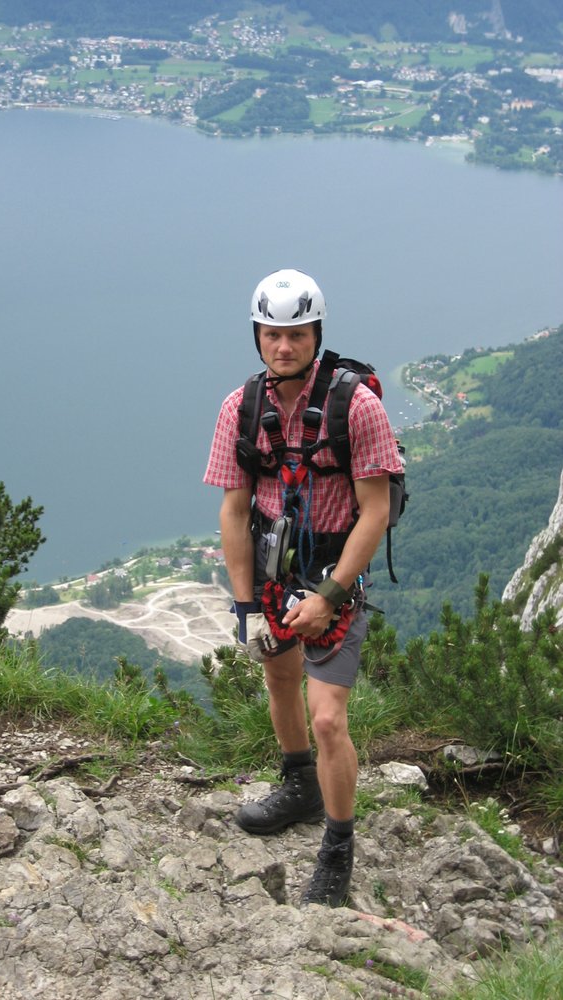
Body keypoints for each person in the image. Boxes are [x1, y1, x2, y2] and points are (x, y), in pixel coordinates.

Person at [203, 268, 403, 907]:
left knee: (327, 718)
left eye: (296, 334)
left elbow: (375, 510)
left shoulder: (357, 406)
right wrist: (244, 604)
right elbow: (234, 510)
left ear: (316, 334)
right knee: (280, 681)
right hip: (273, 571)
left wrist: (331, 596)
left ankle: (338, 848)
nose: (283, 345)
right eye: (271, 334)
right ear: (257, 336)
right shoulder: (241, 408)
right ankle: (300, 786)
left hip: (334, 575)